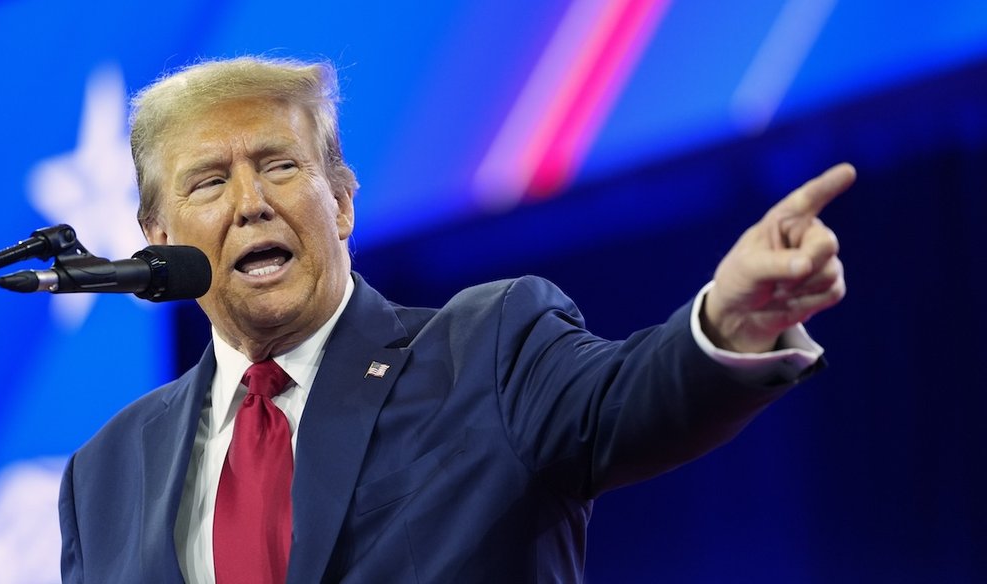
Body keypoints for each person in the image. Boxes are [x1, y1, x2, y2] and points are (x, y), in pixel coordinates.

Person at [58, 56, 853, 583]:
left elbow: (631, 398)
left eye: (278, 165)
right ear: (157, 240)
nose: (251, 202)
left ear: (339, 202)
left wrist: (728, 325)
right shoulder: (105, 475)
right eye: (207, 182)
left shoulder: (489, 346)